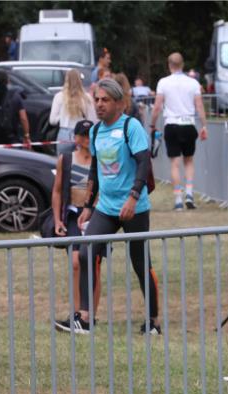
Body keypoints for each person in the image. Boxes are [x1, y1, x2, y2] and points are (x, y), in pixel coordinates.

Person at [68, 79, 161, 335]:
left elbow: (144, 164)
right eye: (97, 99)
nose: (99, 104)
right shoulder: (96, 132)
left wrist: (132, 198)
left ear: (119, 103)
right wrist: (88, 205)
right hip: (106, 208)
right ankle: (85, 319)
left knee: (140, 262)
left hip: (134, 207)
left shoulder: (132, 127)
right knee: (87, 253)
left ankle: (153, 321)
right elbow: (95, 172)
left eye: (105, 100)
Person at [52, 120, 99, 334]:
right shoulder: (67, 159)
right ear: (77, 138)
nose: (88, 139)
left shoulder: (99, 160)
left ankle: (91, 315)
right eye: (84, 135)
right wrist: (57, 219)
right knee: (75, 262)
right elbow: (57, 190)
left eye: (91, 135)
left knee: (94, 264)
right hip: (73, 214)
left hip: (96, 215)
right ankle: (77, 313)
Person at [150, 52, 207, 211]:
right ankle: (189, 193)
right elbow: (199, 106)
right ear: (182, 65)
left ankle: (177, 198)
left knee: (175, 164)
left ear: (169, 65)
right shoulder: (193, 83)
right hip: (188, 124)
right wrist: (204, 125)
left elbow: (157, 107)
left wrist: (152, 125)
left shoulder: (163, 82)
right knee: (188, 161)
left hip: (172, 124)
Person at [50, 69, 94, 155]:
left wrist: (62, 116)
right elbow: (92, 120)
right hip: (83, 134)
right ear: (80, 80)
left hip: (64, 134)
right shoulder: (87, 97)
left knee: (63, 164)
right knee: (82, 165)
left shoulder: (59, 96)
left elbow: (52, 120)